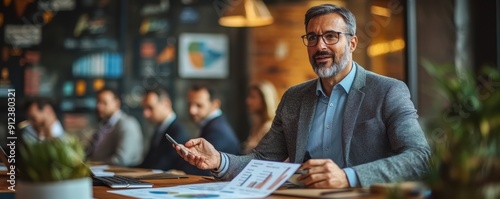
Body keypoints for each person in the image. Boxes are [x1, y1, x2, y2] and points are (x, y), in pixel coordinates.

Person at [176, 4, 431, 188]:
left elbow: (420, 158)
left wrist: (348, 176)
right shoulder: (294, 98)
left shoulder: (388, 91)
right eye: (312, 37)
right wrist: (219, 160)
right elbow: (264, 159)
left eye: (331, 36)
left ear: (352, 43)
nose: (320, 46)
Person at [139, 88, 206, 175]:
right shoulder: (160, 129)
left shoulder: (177, 132)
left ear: (166, 103)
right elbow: (148, 164)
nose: (145, 113)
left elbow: (161, 166)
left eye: (150, 108)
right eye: (144, 108)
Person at [87, 88, 144, 166]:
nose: (99, 107)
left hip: (118, 174)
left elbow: (122, 160)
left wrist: (93, 165)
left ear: (117, 104)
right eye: (98, 102)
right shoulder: (104, 124)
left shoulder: (127, 124)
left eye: (104, 103)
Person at [187, 85, 240, 155]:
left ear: (215, 104)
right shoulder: (213, 126)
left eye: (199, 105)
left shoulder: (217, 132)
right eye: (189, 104)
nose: (192, 110)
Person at [241, 81, 278, 154]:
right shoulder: (257, 125)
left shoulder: (269, 128)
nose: (248, 101)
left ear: (265, 100)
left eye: (253, 97)